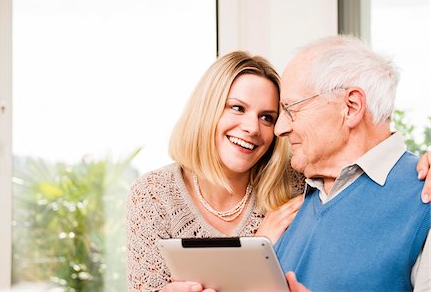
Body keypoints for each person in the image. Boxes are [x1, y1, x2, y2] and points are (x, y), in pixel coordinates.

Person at [126, 50, 431, 292]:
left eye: (276, 115)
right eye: (236, 107)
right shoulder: (155, 194)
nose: (278, 129)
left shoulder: (297, 182)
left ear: (351, 107)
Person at [126, 51, 305, 292]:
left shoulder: (294, 186)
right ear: (207, 109)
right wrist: (258, 250)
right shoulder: (153, 195)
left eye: (267, 117)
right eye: (237, 108)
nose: (253, 128)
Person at [274, 35, 431, 291]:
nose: (280, 128)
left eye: (292, 108)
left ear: (351, 106)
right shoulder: (291, 202)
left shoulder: (424, 198)